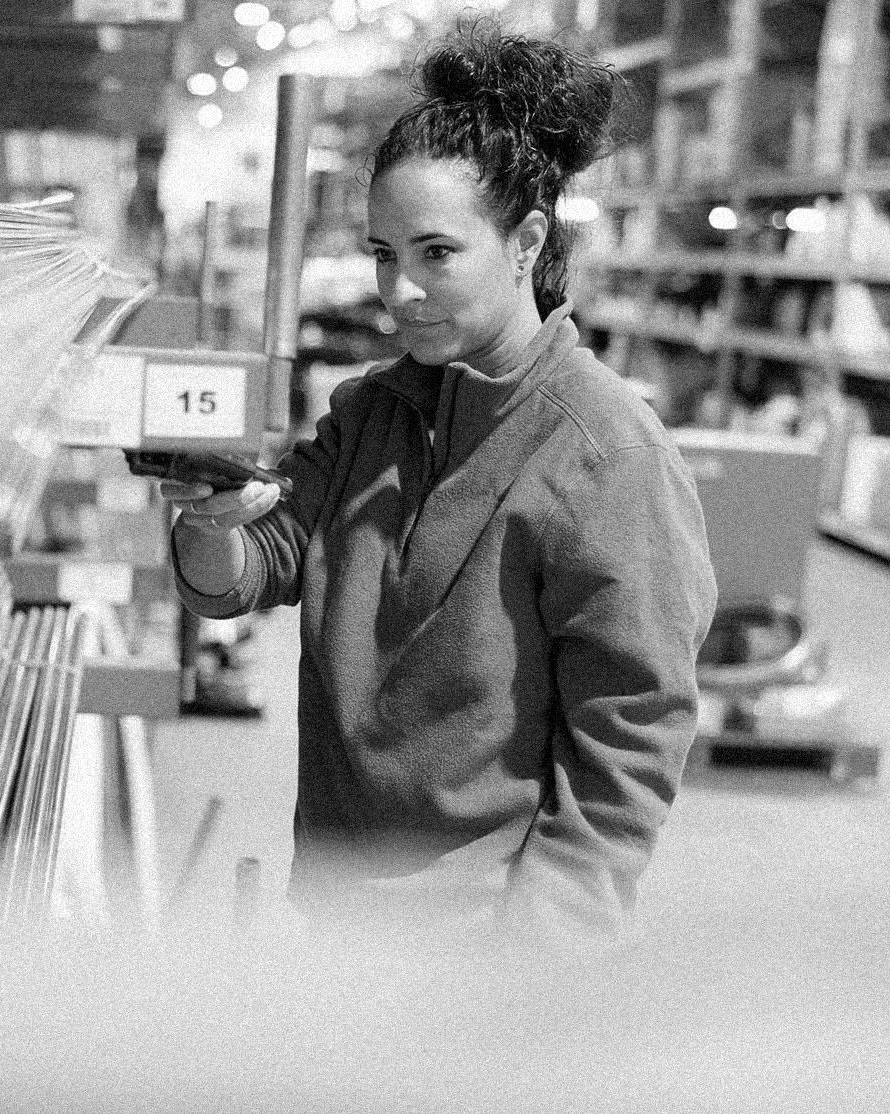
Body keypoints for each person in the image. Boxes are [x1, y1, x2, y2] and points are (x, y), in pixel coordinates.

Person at [158, 23, 717, 943]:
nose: (400, 291)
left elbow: (632, 739)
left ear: (527, 239)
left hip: (476, 943)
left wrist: (534, 956)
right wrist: (210, 513)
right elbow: (242, 576)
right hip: (331, 910)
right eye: (384, 255)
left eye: (436, 253)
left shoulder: (607, 455)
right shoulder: (371, 413)